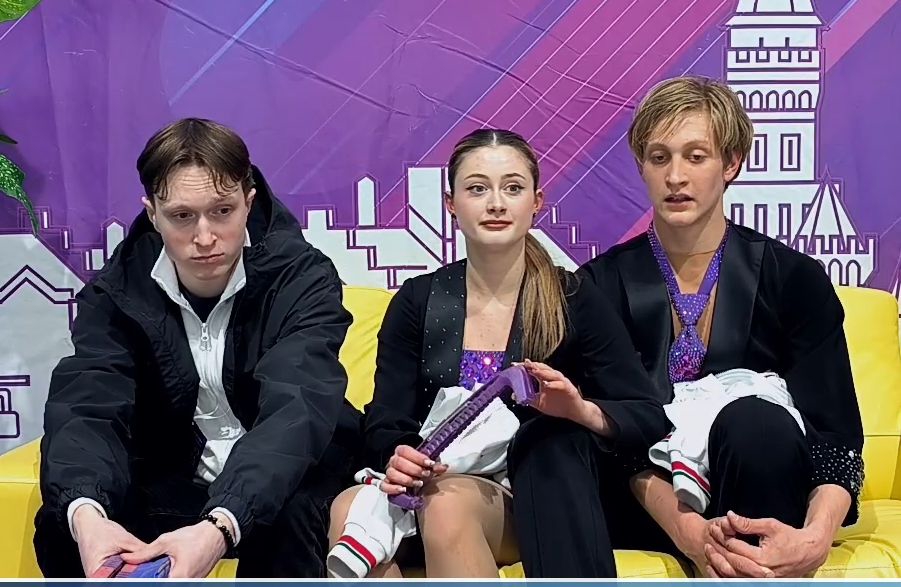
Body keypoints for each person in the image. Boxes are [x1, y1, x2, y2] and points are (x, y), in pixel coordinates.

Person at [528, 75, 862, 578]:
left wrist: (816, 538)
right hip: (645, 504)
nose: (675, 176)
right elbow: (610, 435)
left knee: (757, 422)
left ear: (731, 164)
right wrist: (687, 531)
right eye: (659, 158)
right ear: (641, 167)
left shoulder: (793, 278)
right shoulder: (597, 285)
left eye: (696, 156)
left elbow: (836, 437)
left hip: (764, 488)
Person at [327, 128, 669, 577]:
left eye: (512, 188)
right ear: (451, 204)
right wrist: (399, 453)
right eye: (477, 189)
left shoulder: (574, 298)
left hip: (531, 496)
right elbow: (387, 418)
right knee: (347, 508)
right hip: (429, 484)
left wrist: (579, 409)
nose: (495, 204)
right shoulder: (418, 300)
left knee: (447, 505)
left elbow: (646, 415)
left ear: (536, 202)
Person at [34, 118, 357, 578]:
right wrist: (87, 515)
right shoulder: (117, 292)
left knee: (290, 516)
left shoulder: (302, 278)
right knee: (64, 523)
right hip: (179, 476)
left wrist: (222, 524)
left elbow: (297, 408)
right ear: (153, 214)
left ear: (248, 202)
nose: (204, 237)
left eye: (222, 211)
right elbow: (88, 404)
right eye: (182, 216)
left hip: (292, 475)